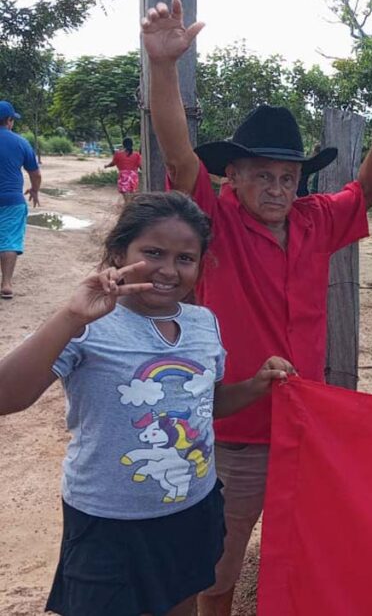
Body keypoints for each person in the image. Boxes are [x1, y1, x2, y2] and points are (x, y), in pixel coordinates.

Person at [141, 0, 372, 615]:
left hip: (307, 427)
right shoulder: (214, 220)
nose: (278, 189)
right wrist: (164, 67)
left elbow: (369, 188)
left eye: (287, 177)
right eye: (262, 176)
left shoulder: (315, 219)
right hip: (236, 431)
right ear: (232, 176)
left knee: (304, 552)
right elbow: (178, 152)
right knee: (218, 564)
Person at [0, 192, 294, 616]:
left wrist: (254, 386)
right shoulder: (90, 323)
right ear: (120, 253)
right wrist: (70, 317)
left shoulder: (203, 323)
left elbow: (205, 406)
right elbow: (7, 396)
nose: (168, 270)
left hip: (193, 509)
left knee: (181, 605)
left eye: (185, 258)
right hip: (108, 522)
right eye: (153, 253)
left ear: (201, 264)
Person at [0, 99, 41, 300]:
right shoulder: (21, 142)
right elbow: (35, 174)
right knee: (9, 240)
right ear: (9, 120)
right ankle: (6, 284)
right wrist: (34, 190)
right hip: (12, 199)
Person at [106, 137, 143, 201]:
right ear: (132, 145)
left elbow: (113, 163)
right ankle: (130, 204)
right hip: (133, 176)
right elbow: (140, 166)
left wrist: (107, 166)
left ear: (123, 145)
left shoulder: (118, 154)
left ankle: (127, 204)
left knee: (125, 193)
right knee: (132, 193)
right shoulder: (137, 155)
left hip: (123, 176)